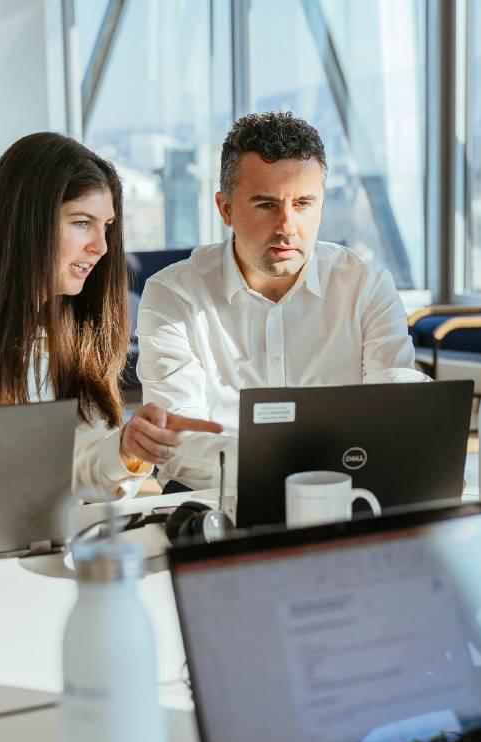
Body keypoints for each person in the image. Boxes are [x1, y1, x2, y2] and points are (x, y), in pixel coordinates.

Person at [136, 111, 424, 491]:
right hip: (216, 499)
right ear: (225, 208)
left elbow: (397, 408)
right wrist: (303, 466)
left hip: (343, 497)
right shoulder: (174, 295)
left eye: (304, 203)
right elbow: (180, 437)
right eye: (266, 204)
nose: (288, 226)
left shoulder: (366, 287)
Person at [0, 132, 222, 500]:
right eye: (81, 222)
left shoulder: (72, 330)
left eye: (106, 227)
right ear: (25, 221)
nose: (100, 247)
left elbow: (72, 471)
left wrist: (125, 449)